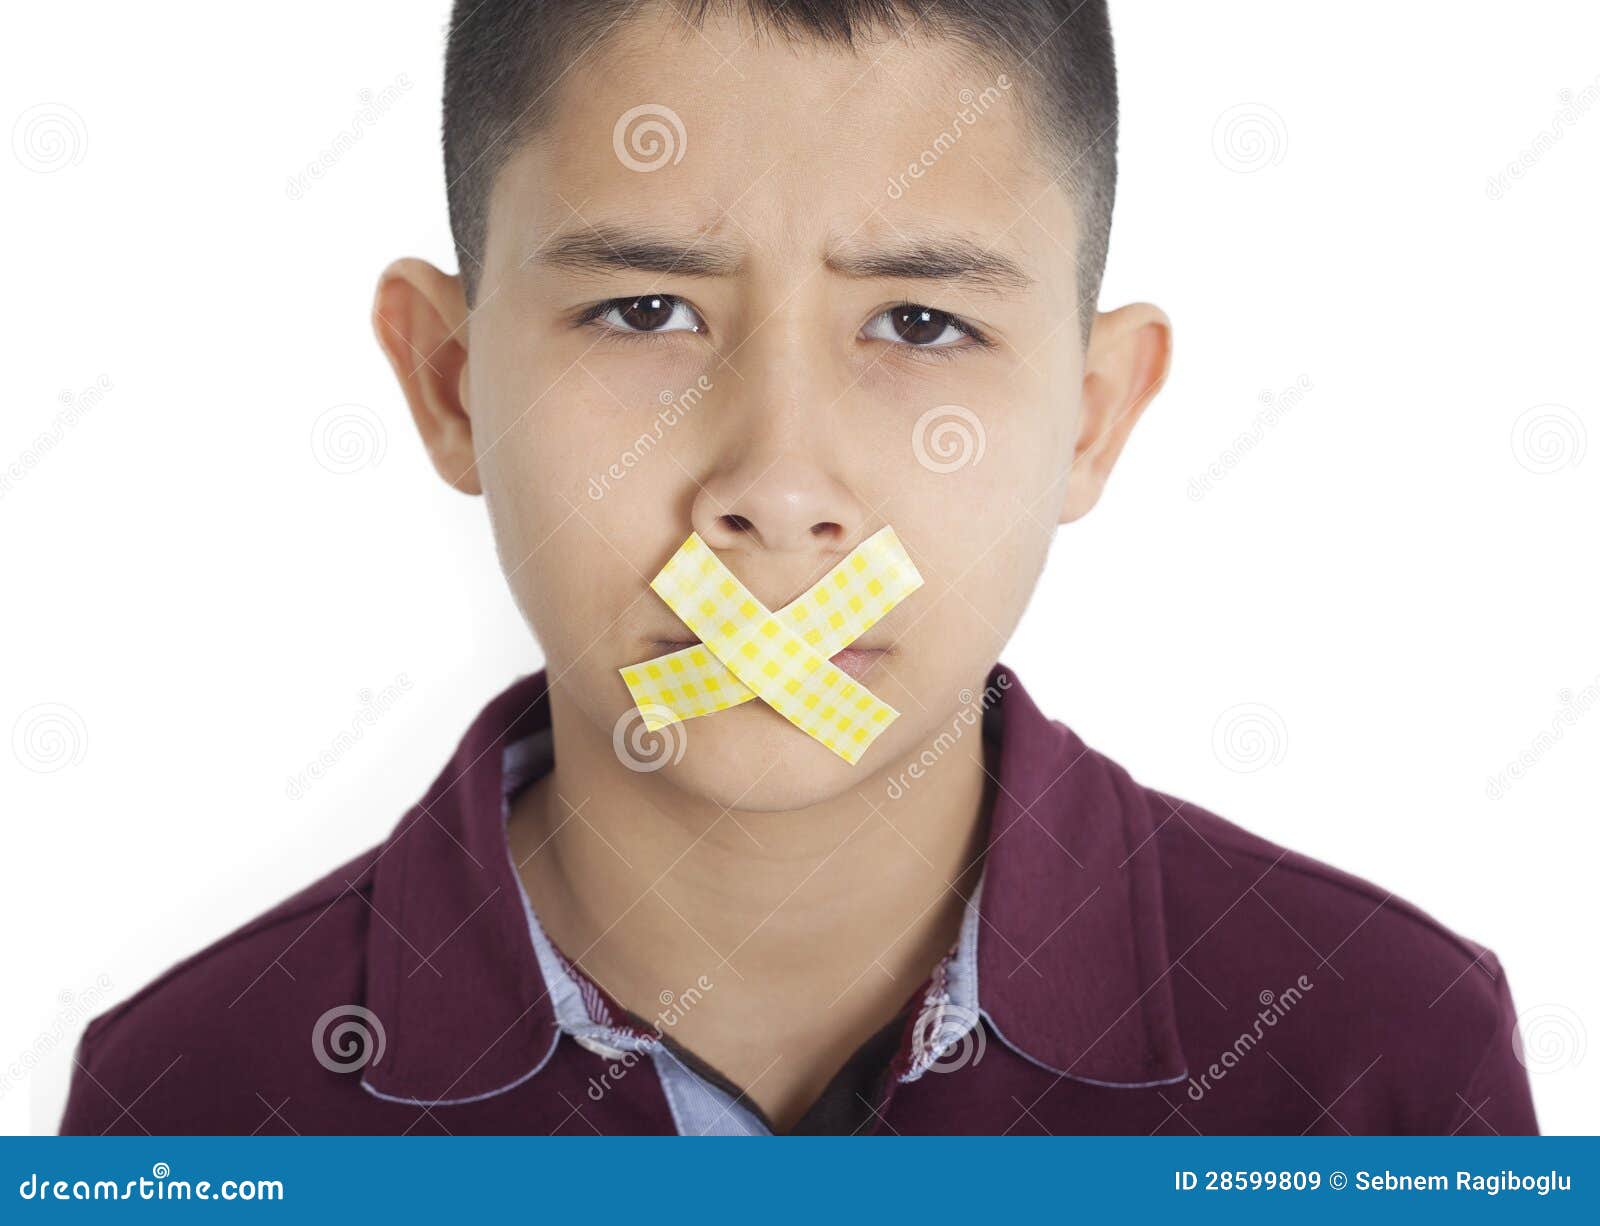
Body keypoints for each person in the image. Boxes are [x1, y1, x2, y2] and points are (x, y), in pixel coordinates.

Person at [61, 0, 1537, 1135]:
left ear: (1092, 418)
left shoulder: (1382, 1056)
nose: (775, 489)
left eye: (918, 325)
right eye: (646, 311)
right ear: (451, 382)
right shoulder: (191, 1098)